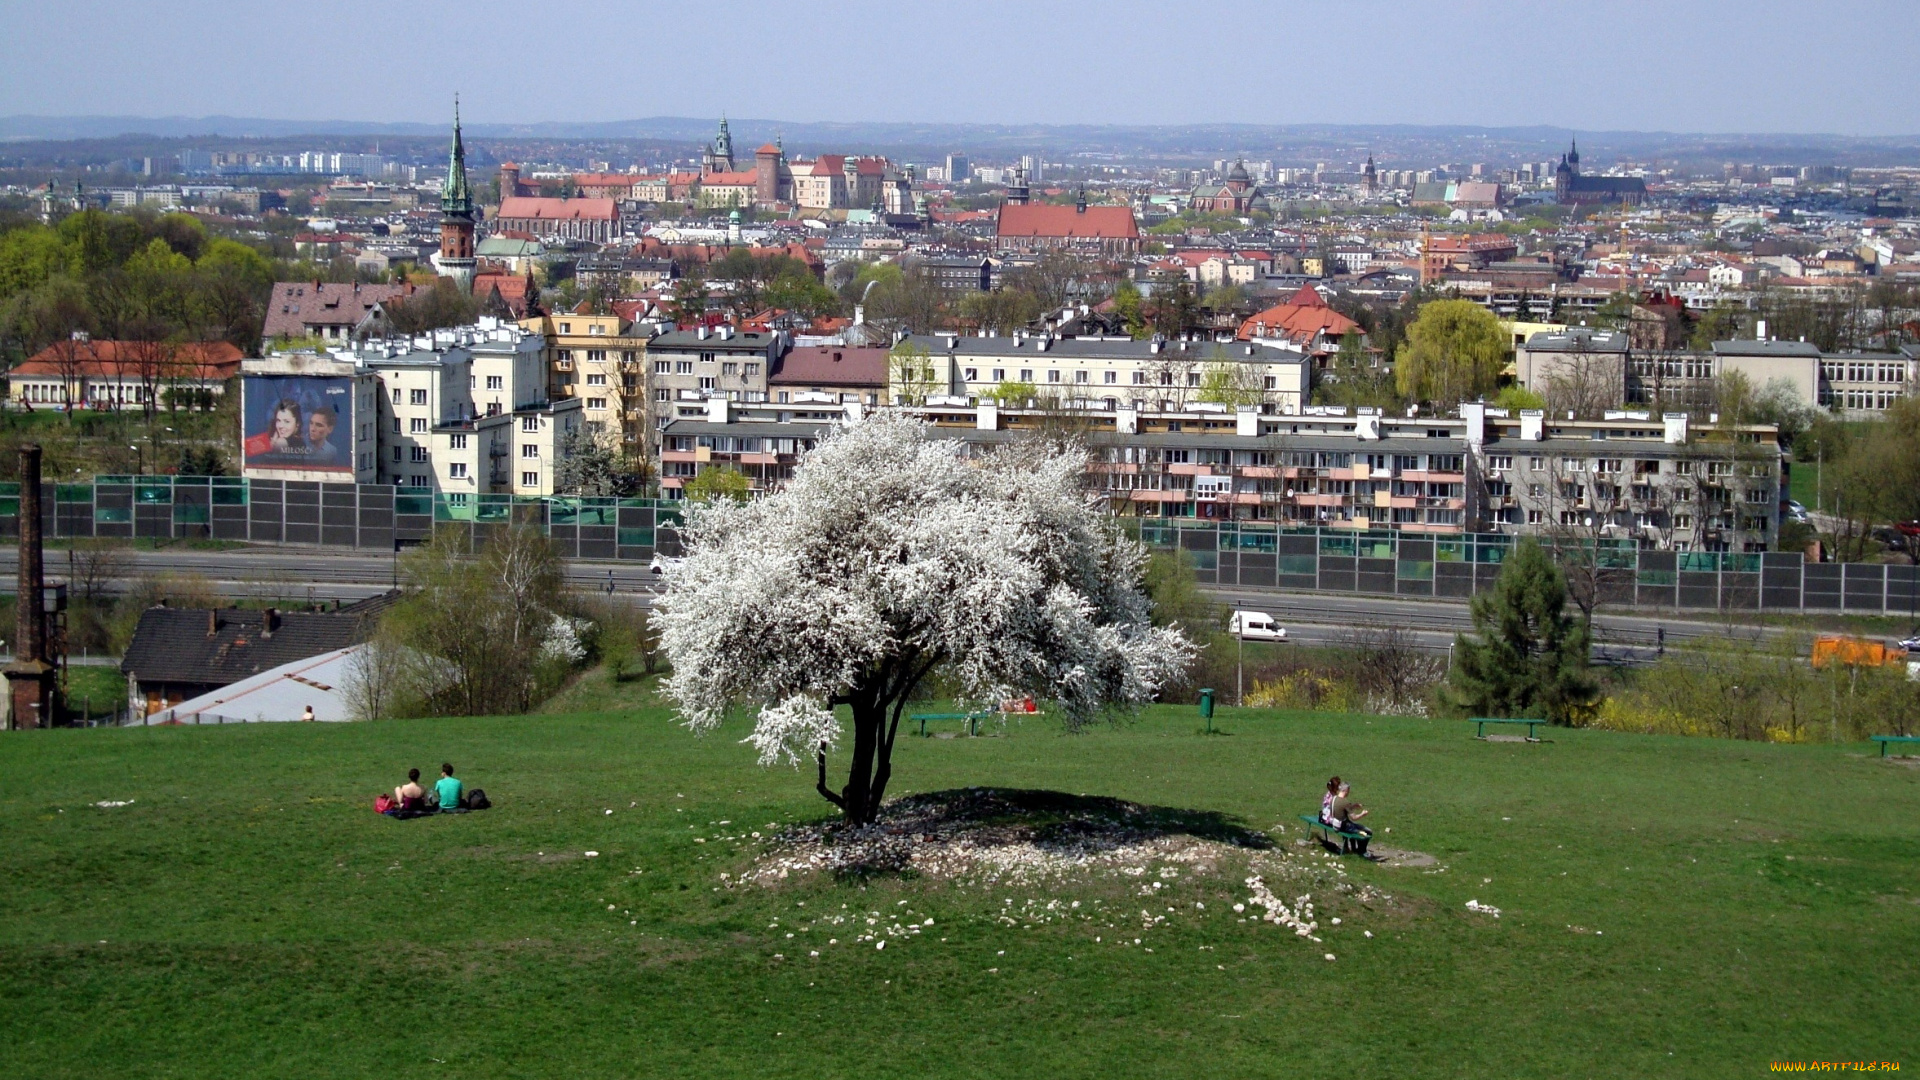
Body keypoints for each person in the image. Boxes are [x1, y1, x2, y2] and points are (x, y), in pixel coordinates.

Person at [1328, 781, 1372, 856]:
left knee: (1353, 826)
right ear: (1346, 790)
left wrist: (1353, 806)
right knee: (1368, 832)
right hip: (1344, 826)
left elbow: (1342, 808)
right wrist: (1362, 814)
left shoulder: (1334, 798)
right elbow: (1354, 817)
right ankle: (1361, 851)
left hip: (1335, 824)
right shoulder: (1345, 802)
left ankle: (1352, 848)